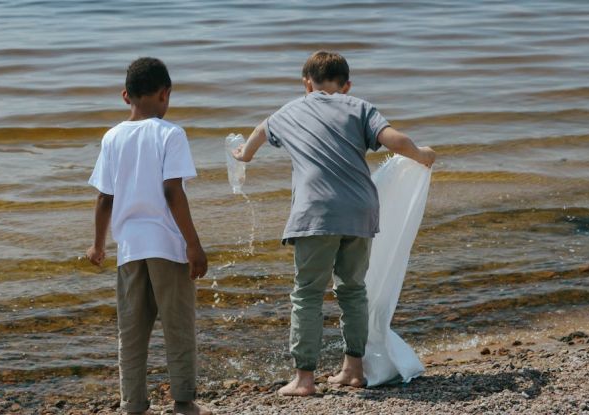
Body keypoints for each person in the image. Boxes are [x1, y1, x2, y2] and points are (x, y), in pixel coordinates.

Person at [233, 51, 435, 396]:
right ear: (346, 85)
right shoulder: (359, 107)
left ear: (305, 83)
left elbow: (259, 132)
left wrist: (243, 156)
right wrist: (422, 156)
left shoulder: (291, 110)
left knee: (307, 294)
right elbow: (394, 139)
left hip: (315, 214)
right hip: (360, 212)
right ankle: (353, 370)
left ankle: (304, 379)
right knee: (353, 290)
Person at [86, 57, 211, 415]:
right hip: (168, 247)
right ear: (165, 94)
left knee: (132, 331)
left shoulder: (111, 137)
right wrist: (194, 244)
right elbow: (173, 192)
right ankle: (184, 401)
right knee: (178, 326)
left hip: (129, 249)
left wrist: (98, 244)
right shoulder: (170, 134)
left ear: (126, 96)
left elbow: (104, 197)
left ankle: (133, 403)